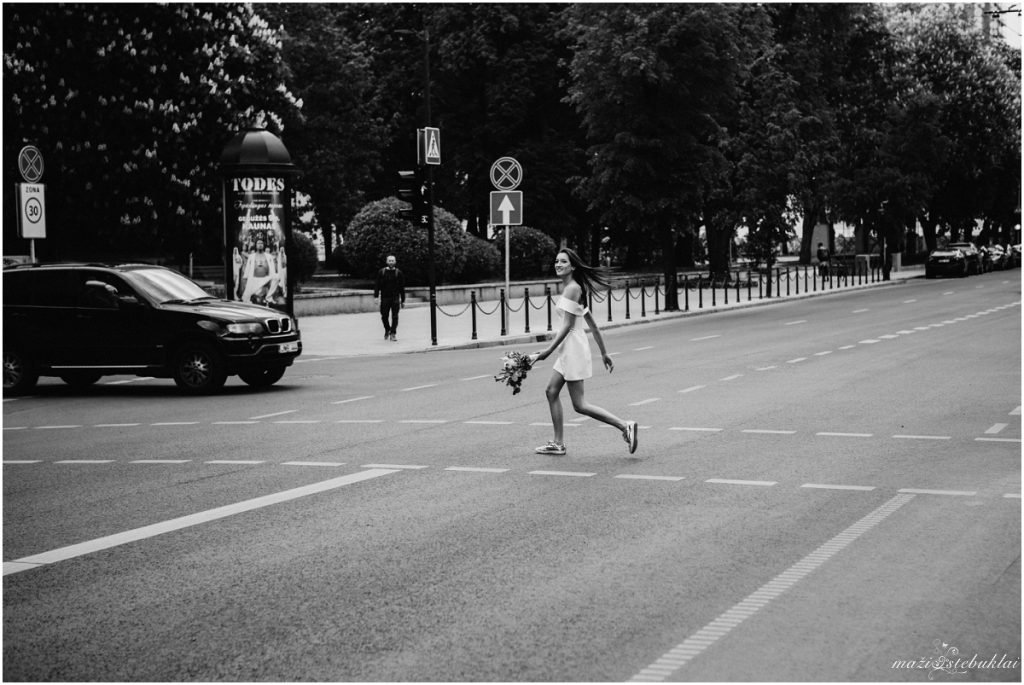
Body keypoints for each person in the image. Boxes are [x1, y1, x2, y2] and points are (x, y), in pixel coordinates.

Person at [529, 248, 638, 456]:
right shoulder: (573, 289)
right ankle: (558, 443)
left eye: (563, 262)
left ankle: (625, 426)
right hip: (569, 349)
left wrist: (547, 351)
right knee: (551, 391)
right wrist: (604, 353)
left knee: (579, 404)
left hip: (572, 350)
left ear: (573, 266)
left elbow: (568, 326)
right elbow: (593, 326)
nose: (558, 264)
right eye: (556, 261)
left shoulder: (572, 289)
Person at [374, 255, 405, 342]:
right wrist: (376, 296)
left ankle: (393, 333)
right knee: (384, 316)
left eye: (393, 260)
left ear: (395, 262)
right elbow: (377, 285)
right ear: (387, 262)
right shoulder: (382, 272)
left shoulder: (399, 273)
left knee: (395, 316)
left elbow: (402, 288)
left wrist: (403, 300)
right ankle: (387, 329)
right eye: (389, 260)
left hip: (395, 298)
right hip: (385, 298)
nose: (391, 262)